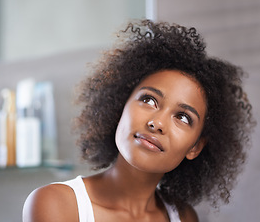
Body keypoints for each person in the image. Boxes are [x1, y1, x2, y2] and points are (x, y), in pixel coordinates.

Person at [22, 19, 255, 222]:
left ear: (195, 147)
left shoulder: (183, 217)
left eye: (183, 117)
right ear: (120, 104)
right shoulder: (57, 205)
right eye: (149, 100)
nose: (157, 123)